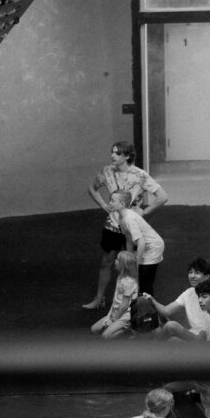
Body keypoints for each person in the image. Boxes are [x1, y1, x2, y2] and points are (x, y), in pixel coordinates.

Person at [83, 142, 168, 310]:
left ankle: (137, 305)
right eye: (112, 152)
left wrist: (144, 211)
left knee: (135, 263)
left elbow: (162, 196)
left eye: (117, 153)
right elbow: (92, 188)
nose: (112, 156)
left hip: (131, 225)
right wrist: (103, 205)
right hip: (113, 226)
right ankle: (99, 299)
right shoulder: (107, 171)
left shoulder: (140, 175)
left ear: (127, 156)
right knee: (107, 261)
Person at [146, 257, 210, 341]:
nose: (192, 276)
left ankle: (152, 347)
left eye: (197, 273)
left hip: (206, 338)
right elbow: (166, 311)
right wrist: (151, 300)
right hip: (193, 334)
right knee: (172, 341)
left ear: (206, 277)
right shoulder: (188, 293)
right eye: (190, 272)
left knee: (171, 325)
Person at [109, 191, 165, 296]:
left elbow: (141, 242)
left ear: (122, 204)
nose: (110, 203)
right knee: (139, 281)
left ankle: (149, 310)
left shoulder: (129, 218)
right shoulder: (121, 218)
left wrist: (136, 263)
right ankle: (140, 307)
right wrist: (130, 258)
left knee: (145, 284)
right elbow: (129, 239)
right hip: (143, 247)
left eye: (113, 200)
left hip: (153, 248)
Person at [90, 251, 139, 340]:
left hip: (127, 315)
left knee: (106, 336)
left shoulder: (128, 282)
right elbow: (115, 302)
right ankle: (116, 326)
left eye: (117, 260)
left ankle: (129, 329)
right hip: (116, 313)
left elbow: (124, 305)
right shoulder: (120, 278)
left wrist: (113, 320)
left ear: (123, 265)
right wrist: (109, 316)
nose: (115, 261)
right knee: (94, 329)